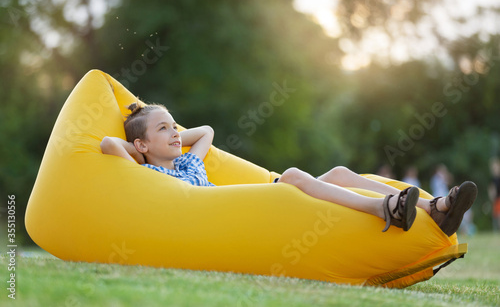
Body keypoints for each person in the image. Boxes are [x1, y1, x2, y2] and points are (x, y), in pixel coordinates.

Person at [101, 102, 478, 237]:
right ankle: (386, 210)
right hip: (227, 215)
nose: (175, 133)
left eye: (174, 126)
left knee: (340, 172)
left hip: (251, 205)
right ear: (141, 145)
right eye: (163, 129)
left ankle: (437, 209)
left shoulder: (185, 161)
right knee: (296, 174)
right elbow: (108, 145)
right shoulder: (151, 174)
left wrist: (167, 133)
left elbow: (207, 133)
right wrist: (140, 152)